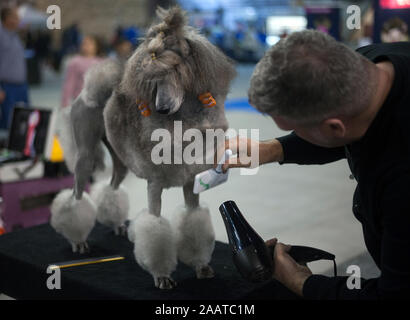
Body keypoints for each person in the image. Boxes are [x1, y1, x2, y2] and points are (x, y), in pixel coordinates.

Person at [219, 30, 410, 299]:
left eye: (297, 130)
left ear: (334, 127)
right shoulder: (368, 65)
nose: (295, 135)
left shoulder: (401, 183)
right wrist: (273, 149)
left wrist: (301, 282)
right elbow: (346, 135)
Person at [0, 7, 29, 129]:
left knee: (24, 120)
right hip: (6, 87)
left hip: (21, 86)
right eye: (15, 17)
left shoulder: (15, 36)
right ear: (6, 19)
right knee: (9, 123)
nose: (18, 20)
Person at [61, 35, 105, 108]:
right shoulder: (75, 62)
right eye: (84, 44)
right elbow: (69, 83)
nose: (86, 46)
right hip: (80, 101)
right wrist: (65, 102)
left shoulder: (102, 62)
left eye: (90, 44)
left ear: (96, 46)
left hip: (98, 102)